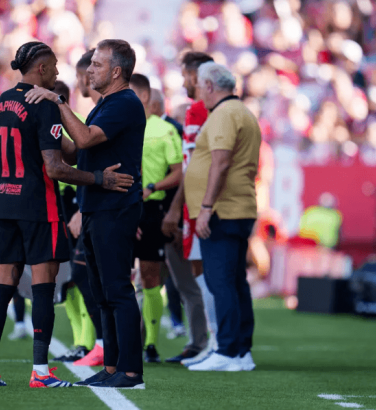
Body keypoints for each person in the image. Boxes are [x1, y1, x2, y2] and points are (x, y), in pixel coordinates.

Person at [0, 41, 134, 388]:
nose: (60, 72)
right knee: (44, 289)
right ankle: (41, 372)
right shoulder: (43, 104)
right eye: (55, 66)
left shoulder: (0, 102)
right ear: (42, 69)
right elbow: (55, 168)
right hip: (38, 208)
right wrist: (99, 178)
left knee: (3, 286)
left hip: (6, 205)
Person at [25, 39, 146, 389]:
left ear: (116, 71)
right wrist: (47, 127)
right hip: (97, 205)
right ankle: (111, 367)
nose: (89, 70)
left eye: (96, 64)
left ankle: (131, 370)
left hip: (115, 206)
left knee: (118, 289)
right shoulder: (106, 104)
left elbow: (87, 138)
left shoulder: (124, 103)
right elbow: (76, 150)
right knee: (101, 291)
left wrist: (57, 102)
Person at [180, 62, 261, 372]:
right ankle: (240, 351)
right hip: (237, 208)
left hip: (224, 210)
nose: (198, 92)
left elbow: (221, 162)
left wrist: (205, 207)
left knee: (221, 281)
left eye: (200, 86)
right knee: (235, 281)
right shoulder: (240, 111)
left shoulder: (224, 115)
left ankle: (227, 350)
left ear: (210, 86)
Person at [162, 51, 218, 367]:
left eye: (185, 75)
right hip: (203, 203)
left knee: (203, 275)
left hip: (198, 206)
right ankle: (214, 343)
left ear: (197, 77)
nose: (183, 81)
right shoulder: (209, 110)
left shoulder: (198, 110)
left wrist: (176, 208)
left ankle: (216, 345)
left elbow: (193, 166)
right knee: (206, 276)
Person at [150, 88, 209, 363]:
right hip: (173, 216)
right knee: (175, 284)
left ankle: (201, 343)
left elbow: (184, 178)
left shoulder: (169, 132)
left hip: (174, 217)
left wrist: (176, 216)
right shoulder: (175, 133)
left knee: (188, 284)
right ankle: (196, 341)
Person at [129, 73, 183, 363]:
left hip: (150, 211)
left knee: (150, 276)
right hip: (122, 209)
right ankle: (119, 340)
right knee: (121, 277)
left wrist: (152, 188)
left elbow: (178, 172)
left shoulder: (165, 130)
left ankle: (149, 343)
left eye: (134, 95)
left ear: (146, 97)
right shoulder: (121, 126)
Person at [50, 79, 95, 362]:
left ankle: (87, 342)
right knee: (65, 281)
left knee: (82, 276)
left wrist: (81, 210)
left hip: (76, 204)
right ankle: (80, 341)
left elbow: (88, 167)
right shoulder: (43, 126)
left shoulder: (78, 127)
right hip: (57, 207)